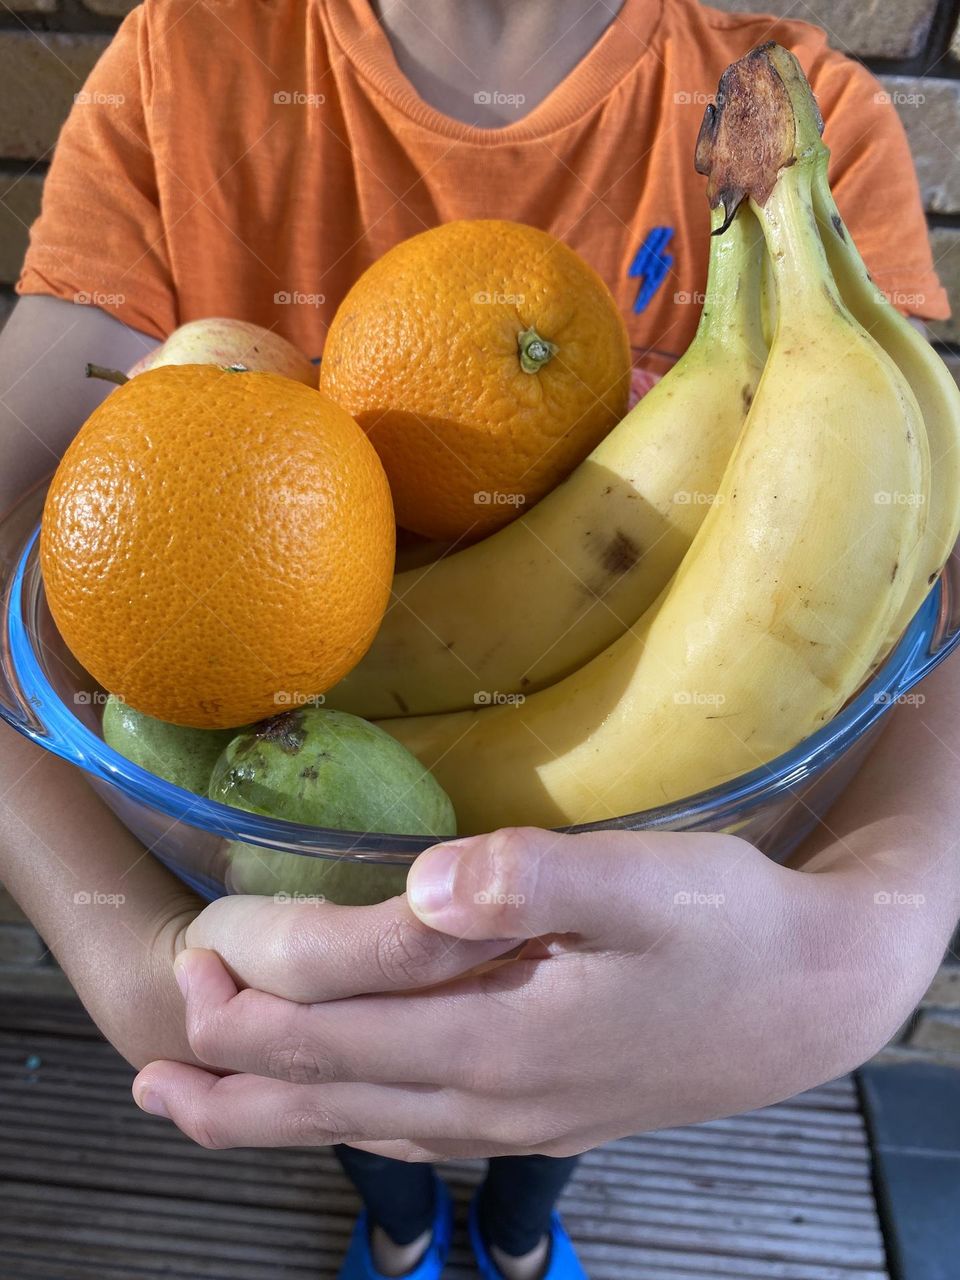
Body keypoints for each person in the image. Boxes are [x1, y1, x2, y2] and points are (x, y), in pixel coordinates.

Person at [1, 1, 956, 1278]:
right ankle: (398, 1225)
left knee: (561, 1092)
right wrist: (117, 929)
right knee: (362, 1085)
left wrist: (870, 943)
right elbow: (27, 521)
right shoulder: (186, 64)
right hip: (285, 908)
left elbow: (897, 558)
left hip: (621, 923)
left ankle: (515, 1231)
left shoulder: (823, 120)